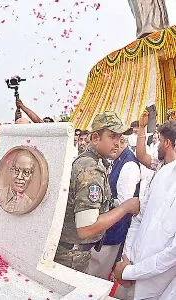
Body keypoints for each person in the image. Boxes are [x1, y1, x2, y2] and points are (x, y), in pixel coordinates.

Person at [54, 112, 140, 272]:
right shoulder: (91, 169)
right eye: (112, 136)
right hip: (73, 255)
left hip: (71, 250)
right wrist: (125, 208)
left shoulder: (91, 161)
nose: (117, 142)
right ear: (95, 138)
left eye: (120, 137)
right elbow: (86, 228)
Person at [114, 120, 176, 300]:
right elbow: (139, 218)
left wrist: (131, 272)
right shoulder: (163, 172)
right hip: (131, 267)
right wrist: (126, 258)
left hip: (156, 285)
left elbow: (172, 253)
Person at [88, 135, 140, 292]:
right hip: (106, 225)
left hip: (113, 229)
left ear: (122, 142)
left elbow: (126, 204)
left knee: (97, 273)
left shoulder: (129, 165)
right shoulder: (119, 159)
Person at [0, 150, 36, 214]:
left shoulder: (28, 204)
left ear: (31, 176)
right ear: (11, 170)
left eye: (26, 172)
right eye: (17, 170)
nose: (19, 176)